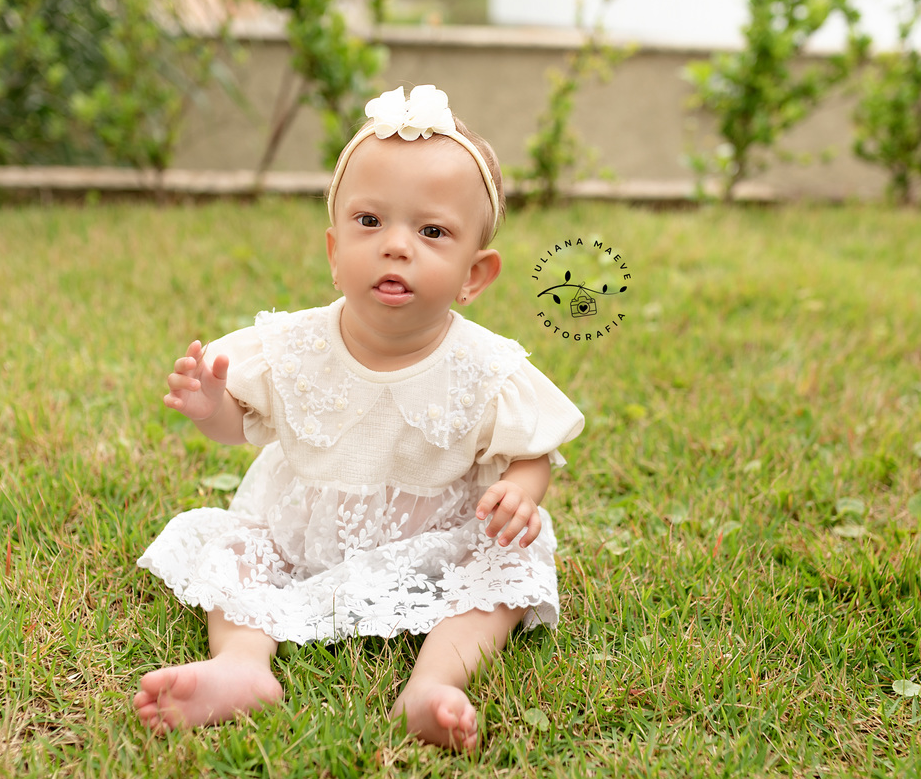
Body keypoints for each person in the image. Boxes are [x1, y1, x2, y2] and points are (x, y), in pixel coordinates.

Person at [134, 84, 584, 751]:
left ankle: (434, 681)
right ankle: (240, 664)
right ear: (333, 249)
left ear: (474, 274)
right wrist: (211, 406)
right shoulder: (291, 344)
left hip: (438, 539)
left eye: (432, 231)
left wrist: (521, 491)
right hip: (301, 533)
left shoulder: (486, 367)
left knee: (508, 571)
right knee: (235, 550)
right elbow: (239, 422)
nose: (396, 246)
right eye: (370, 222)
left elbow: (532, 448)